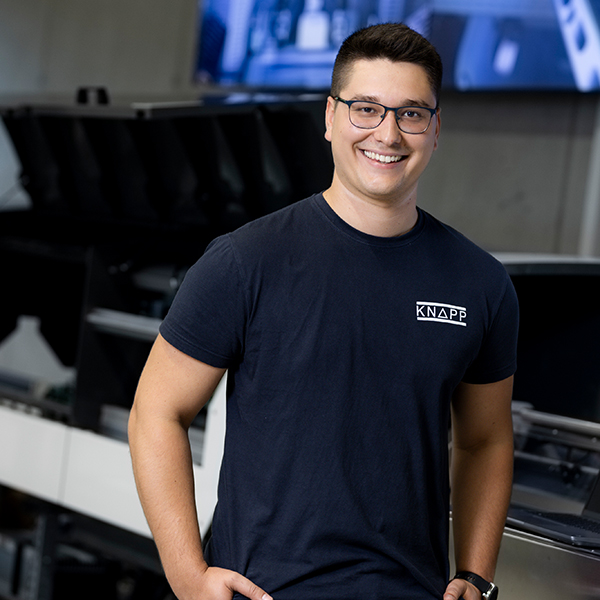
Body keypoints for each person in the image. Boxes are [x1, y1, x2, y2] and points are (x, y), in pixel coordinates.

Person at [128, 22, 518, 600]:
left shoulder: (480, 283)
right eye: (366, 109)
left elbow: (486, 439)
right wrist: (187, 574)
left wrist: (476, 575)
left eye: (411, 113)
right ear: (330, 118)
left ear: (435, 130)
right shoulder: (246, 261)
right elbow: (156, 413)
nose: (388, 132)